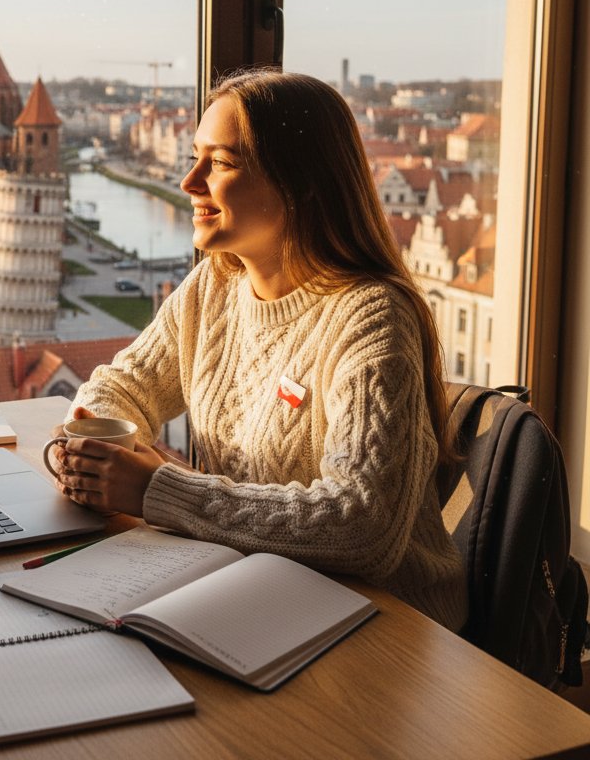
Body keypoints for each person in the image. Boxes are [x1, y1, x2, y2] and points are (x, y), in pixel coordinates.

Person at [50, 69, 466, 631]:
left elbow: (362, 524)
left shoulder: (371, 317)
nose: (189, 182)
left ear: (301, 182)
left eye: (220, 163)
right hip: (262, 597)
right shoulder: (214, 287)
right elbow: (120, 387)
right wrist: (94, 450)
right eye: (195, 157)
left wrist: (157, 489)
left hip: (387, 627)